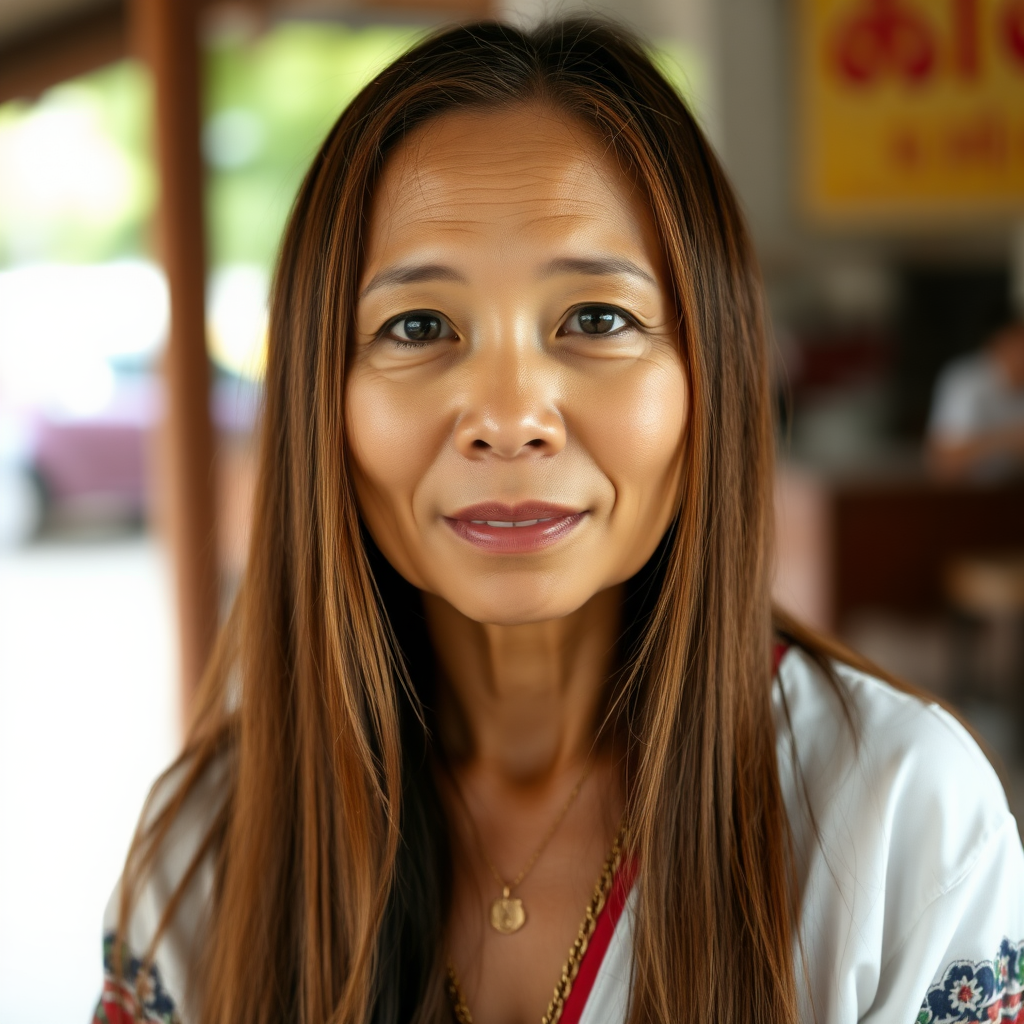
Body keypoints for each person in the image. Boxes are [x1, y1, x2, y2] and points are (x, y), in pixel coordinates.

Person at [94, 20, 1024, 1024]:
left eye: (595, 319)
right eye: (417, 327)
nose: (507, 417)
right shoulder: (208, 845)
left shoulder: (898, 813)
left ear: (709, 377)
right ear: (324, 401)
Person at [926, 321, 1024, 480]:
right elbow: (944, 462)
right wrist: (1011, 439)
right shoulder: (966, 381)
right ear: (1001, 344)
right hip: (967, 495)